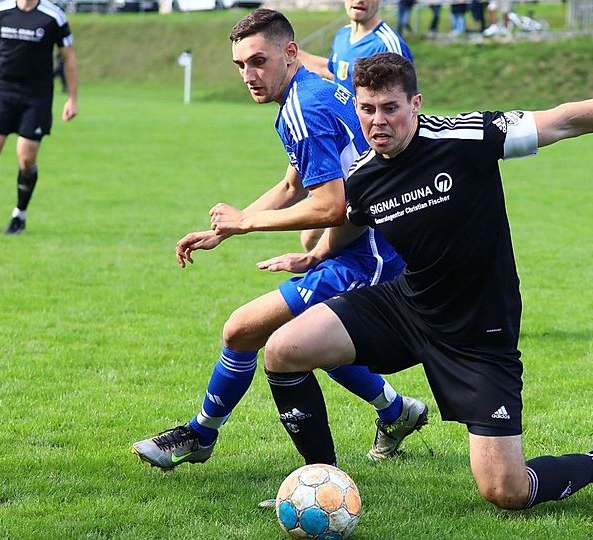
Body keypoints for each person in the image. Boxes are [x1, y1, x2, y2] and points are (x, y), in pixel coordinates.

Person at [257, 50, 593, 511]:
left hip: (479, 331)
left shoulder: (467, 137)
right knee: (283, 350)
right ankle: (323, 483)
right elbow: (352, 219)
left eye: (390, 108)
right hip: (410, 307)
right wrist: (316, 254)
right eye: (367, 109)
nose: (377, 121)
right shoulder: (363, 175)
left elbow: (566, 120)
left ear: (415, 104)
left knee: (506, 491)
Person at [131, 9, 428, 471]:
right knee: (308, 340)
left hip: (366, 255)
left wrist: (248, 224)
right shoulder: (313, 90)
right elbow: (293, 185)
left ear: (290, 53)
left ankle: (204, 435)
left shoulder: (303, 108)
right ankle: (396, 411)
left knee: (246, 331)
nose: (249, 75)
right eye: (240, 65)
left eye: (258, 61)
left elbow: (330, 206)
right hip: (364, 246)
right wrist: (223, 230)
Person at [296, 0, 412, 251]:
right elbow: (333, 70)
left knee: (327, 237)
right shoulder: (342, 36)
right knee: (313, 238)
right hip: (344, 147)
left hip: (373, 154)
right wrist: (283, 50)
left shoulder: (387, 44)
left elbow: (406, 104)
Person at [0, 0, 77, 235]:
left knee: (26, 157)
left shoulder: (53, 16)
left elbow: (69, 57)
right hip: (4, 92)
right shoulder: (0, 12)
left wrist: (72, 98)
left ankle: (19, 216)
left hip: (36, 97)